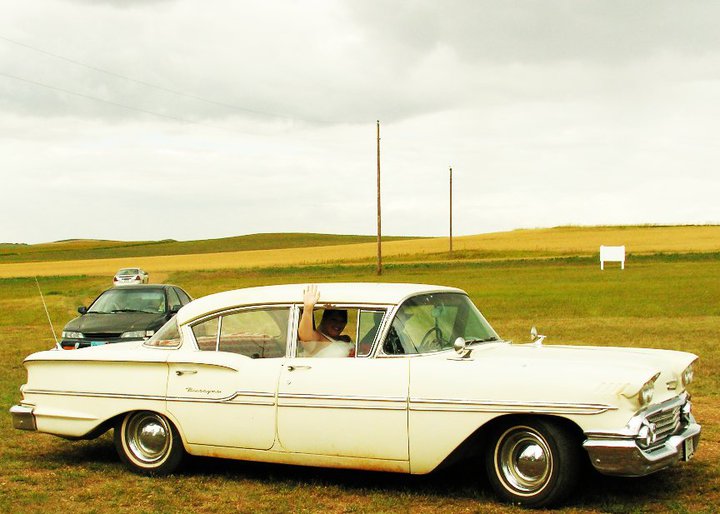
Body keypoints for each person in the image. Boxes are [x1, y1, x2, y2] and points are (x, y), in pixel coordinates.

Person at [298, 285, 353, 357]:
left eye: (342, 321)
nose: (338, 324)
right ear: (325, 319)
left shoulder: (345, 338)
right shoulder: (318, 340)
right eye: (334, 320)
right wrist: (308, 308)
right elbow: (305, 336)